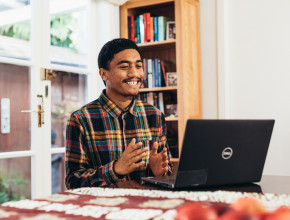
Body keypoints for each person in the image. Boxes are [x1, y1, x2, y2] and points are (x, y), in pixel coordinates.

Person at [65, 38, 172, 189]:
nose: (134, 73)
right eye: (124, 67)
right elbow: (73, 182)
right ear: (103, 74)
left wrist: (159, 173)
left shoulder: (154, 115)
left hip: (145, 205)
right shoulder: (81, 119)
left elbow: (166, 176)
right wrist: (115, 170)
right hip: (102, 208)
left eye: (139, 66)